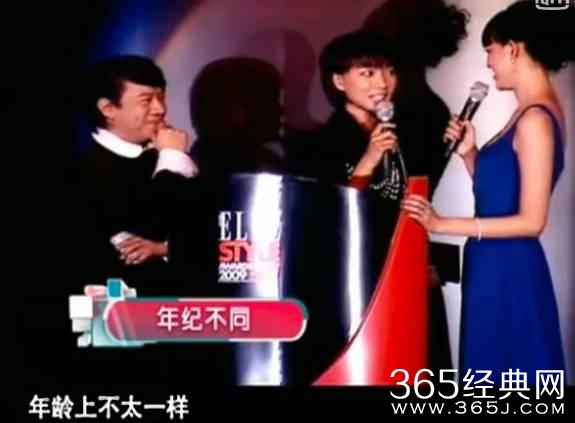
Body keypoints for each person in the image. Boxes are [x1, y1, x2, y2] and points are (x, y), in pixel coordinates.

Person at [401, 0, 574, 385]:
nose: (488, 62)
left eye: (491, 50)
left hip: (510, 269)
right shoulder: (526, 113)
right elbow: (501, 191)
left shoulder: (535, 119)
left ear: (514, 49)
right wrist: (469, 153)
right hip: (490, 262)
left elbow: (531, 221)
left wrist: (443, 223)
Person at [363, 0, 471, 376]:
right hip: (410, 244)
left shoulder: (402, 114)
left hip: (394, 251)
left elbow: (399, 189)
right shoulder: (432, 109)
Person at [79, 54, 198, 296]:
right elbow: (151, 227)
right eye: (146, 100)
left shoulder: (164, 155)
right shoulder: (85, 170)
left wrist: (165, 247)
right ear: (108, 109)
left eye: (161, 97)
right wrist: (173, 158)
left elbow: (206, 230)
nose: (160, 109)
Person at [292, 29, 403, 200]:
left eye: (391, 72)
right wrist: (369, 160)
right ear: (339, 81)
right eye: (368, 73)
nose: (383, 83)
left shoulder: (399, 133)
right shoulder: (320, 146)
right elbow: (332, 207)